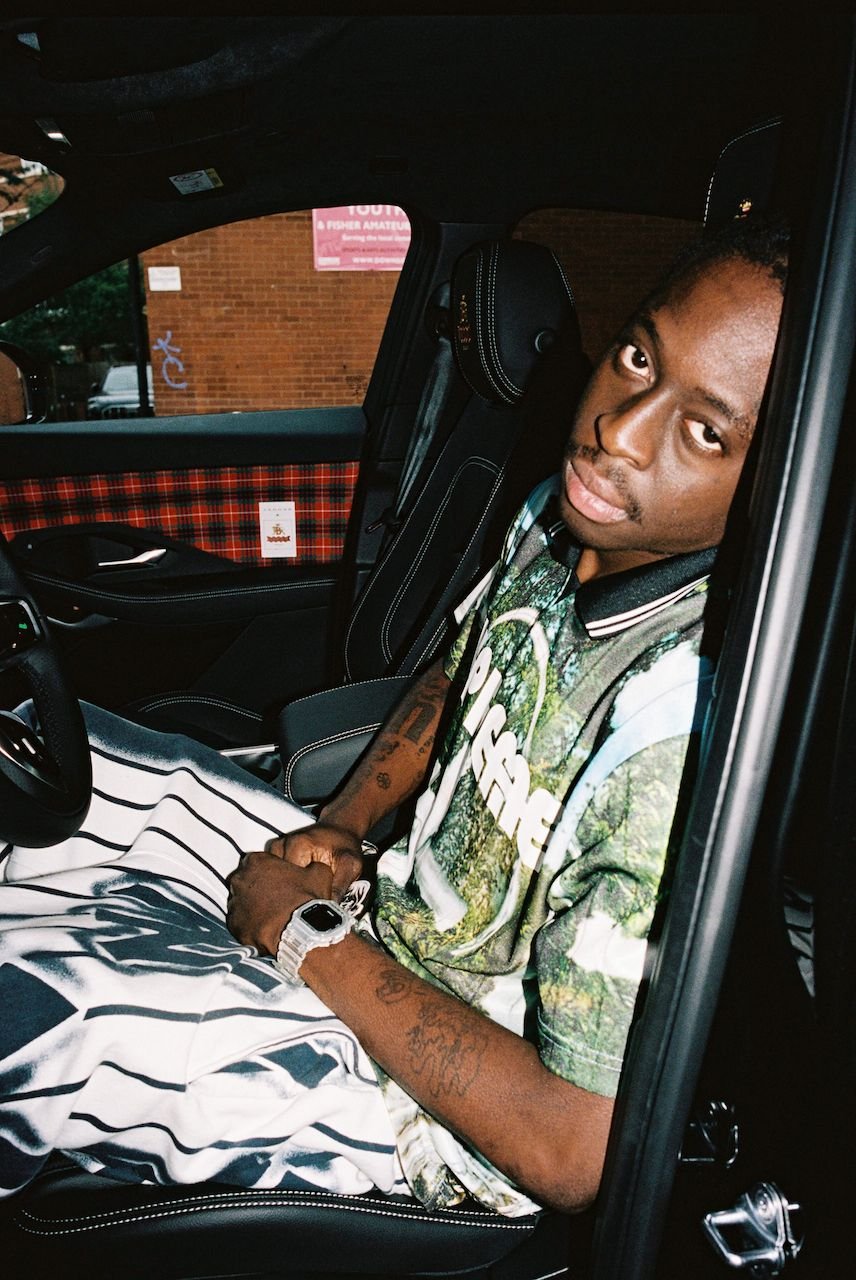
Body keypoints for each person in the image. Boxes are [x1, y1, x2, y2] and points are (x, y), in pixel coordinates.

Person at [0, 216, 788, 1216]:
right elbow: (462, 670)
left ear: (771, 483)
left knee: (38, 1010)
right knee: (101, 769)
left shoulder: (670, 736)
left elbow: (579, 1147)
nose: (619, 430)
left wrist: (307, 941)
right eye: (640, 356)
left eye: (705, 431)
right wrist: (346, 822)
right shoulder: (563, 519)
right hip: (386, 919)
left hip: (431, 1117)